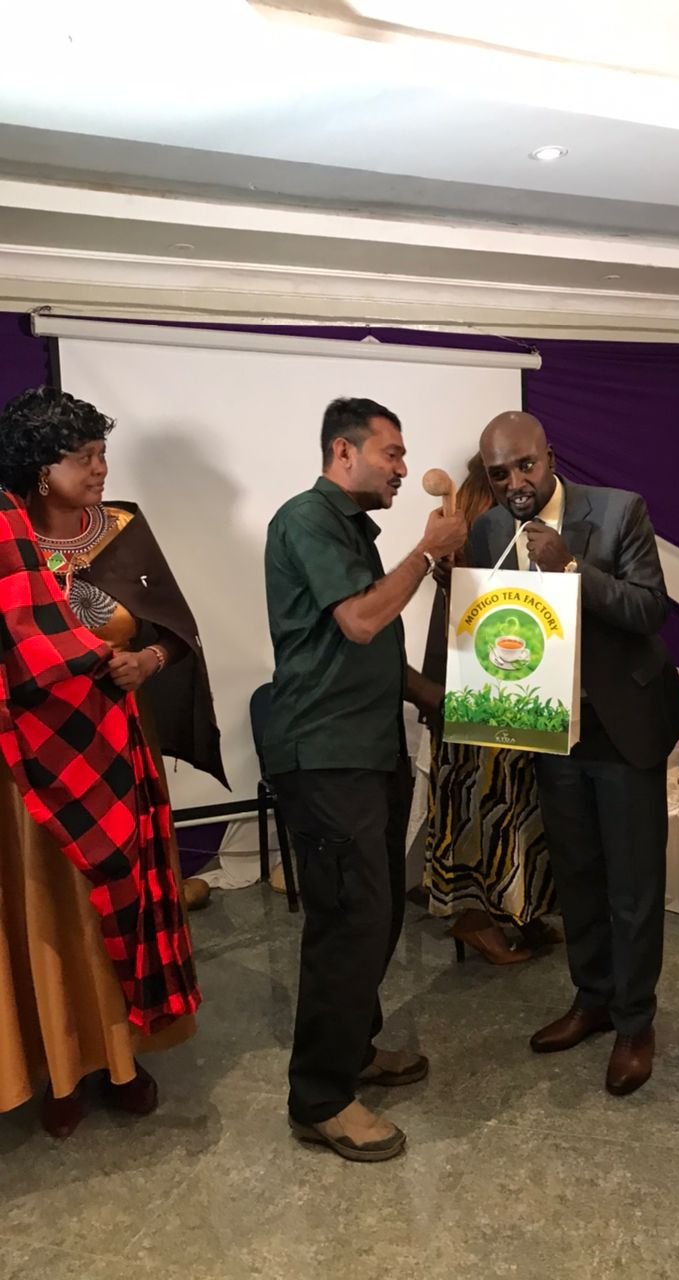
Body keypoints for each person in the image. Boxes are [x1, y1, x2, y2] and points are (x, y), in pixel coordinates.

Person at [0, 387, 221, 1138]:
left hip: (119, 748)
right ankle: (61, 1066)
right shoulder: (7, 542)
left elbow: (176, 630)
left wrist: (147, 661)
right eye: (83, 457)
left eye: (102, 453)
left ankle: (124, 1060)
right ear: (40, 468)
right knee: (55, 913)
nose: (100, 468)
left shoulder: (123, 529)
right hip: (36, 768)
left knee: (126, 903)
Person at [264, 396, 466, 1163]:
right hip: (325, 755)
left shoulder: (349, 530)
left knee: (376, 917)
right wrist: (426, 551)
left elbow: (365, 650)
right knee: (349, 919)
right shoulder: (306, 518)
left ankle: (352, 1049)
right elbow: (360, 620)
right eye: (392, 453)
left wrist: (436, 698)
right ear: (343, 453)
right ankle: (320, 1098)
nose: (404, 468)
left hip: (369, 749)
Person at [470, 411, 679, 1096]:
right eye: (499, 474)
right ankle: (592, 999)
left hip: (622, 725)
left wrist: (570, 568)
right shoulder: (487, 530)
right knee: (579, 877)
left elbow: (649, 609)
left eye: (525, 466)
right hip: (547, 728)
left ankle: (635, 1023)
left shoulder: (619, 512)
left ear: (550, 457)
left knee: (633, 885)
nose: (515, 482)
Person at [421, 454, 557, 965]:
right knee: (478, 808)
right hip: (476, 687)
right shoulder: (481, 522)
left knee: (505, 806)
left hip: (495, 687)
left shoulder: (483, 516)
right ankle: (476, 920)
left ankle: (514, 911)